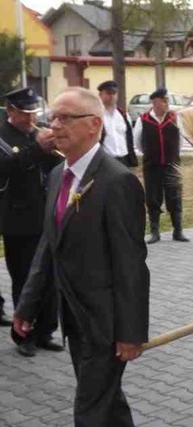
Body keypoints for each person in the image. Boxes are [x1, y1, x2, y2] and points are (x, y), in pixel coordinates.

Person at [13, 87, 150, 426]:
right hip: (74, 318)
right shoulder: (60, 174)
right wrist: (27, 307)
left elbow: (131, 264)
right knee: (108, 404)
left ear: (93, 125)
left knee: (90, 410)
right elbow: (49, 247)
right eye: (52, 117)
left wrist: (131, 332)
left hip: (106, 324)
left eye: (65, 118)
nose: (54, 125)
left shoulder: (117, 181)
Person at [0, 87, 62, 357]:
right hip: (17, 220)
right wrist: (38, 149)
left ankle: (45, 331)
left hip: (45, 215)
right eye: (25, 113)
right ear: (10, 111)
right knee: (25, 278)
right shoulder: (2, 136)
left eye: (33, 112)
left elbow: (52, 168)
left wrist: (55, 147)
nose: (31, 118)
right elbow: (7, 167)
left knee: (49, 277)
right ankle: (23, 335)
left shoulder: (39, 131)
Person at [134, 87, 188, 243]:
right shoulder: (143, 119)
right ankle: (155, 232)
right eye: (163, 100)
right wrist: (151, 154)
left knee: (175, 196)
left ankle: (178, 231)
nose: (167, 103)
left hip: (172, 165)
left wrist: (173, 157)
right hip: (152, 166)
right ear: (154, 102)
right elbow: (138, 143)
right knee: (153, 197)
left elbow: (181, 139)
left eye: (167, 100)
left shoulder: (174, 118)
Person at [97, 80, 138, 167]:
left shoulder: (123, 115)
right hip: (105, 160)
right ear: (100, 95)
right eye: (108, 93)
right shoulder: (96, 115)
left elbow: (129, 137)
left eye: (114, 93)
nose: (111, 96)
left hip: (124, 160)